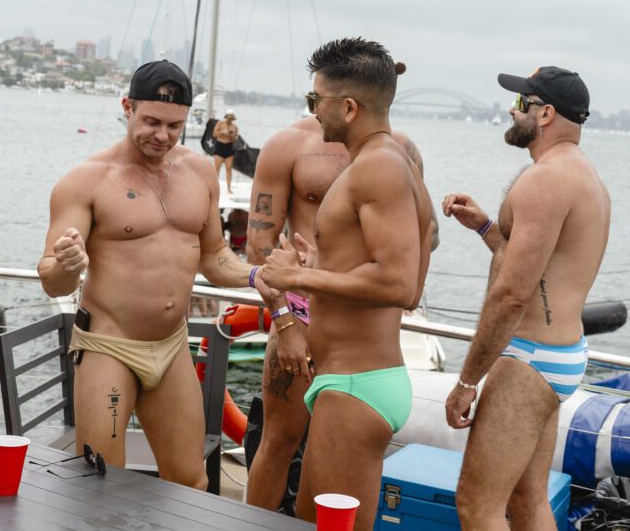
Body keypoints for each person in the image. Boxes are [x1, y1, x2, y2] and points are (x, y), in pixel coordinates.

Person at [37, 60, 266, 490]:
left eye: (174, 125)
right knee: (100, 483)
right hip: (108, 347)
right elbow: (51, 278)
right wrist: (68, 265)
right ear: (127, 107)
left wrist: (257, 276)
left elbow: (214, 256)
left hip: (171, 346)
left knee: (189, 482)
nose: (162, 135)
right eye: (152, 122)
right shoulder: (85, 182)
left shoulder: (199, 172)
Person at [259, 37, 435, 530]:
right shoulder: (398, 165)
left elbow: (398, 285)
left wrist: (299, 276)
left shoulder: (377, 167)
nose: (313, 111)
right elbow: (412, 285)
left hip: (358, 384)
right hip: (351, 379)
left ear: (350, 107)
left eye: (316, 100)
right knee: (307, 519)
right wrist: (322, 266)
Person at [442, 66, 610, 530]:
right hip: (561, 353)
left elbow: (513, 295)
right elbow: (541, 269)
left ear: (546, 114)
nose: (511, 111)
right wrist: (483, 226)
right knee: (527, 497)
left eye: (521, 104)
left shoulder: (543, 181)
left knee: (477, 507)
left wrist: (467, 381)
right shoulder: (586, 178)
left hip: (529, 359)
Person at [213, 108, 239, 193]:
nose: (229, 119)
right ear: (226, 116)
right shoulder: (220, 123)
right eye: (228, 117)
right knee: (217, 169)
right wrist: (222, 132)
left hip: (229, 147)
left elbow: (235, 138)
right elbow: (214, 134)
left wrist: (232, 135)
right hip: (220, 146)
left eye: (231, 117)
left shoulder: (234, 127)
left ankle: (229, 188)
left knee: (229, 169)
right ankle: (214, 187)